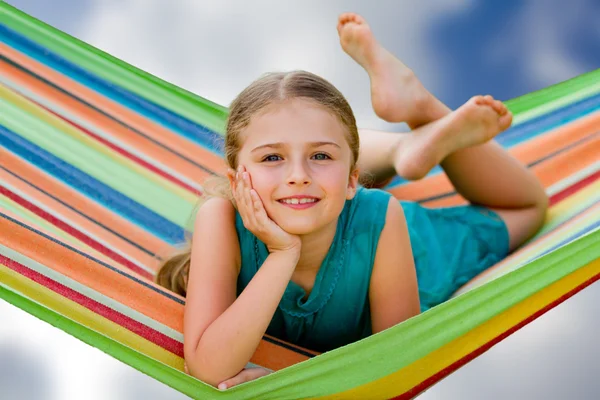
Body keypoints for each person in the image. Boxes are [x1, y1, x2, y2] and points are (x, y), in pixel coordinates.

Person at [156, 13, 548, 390]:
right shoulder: (221, 218)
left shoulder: (379, 216)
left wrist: (289, 380)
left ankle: (420, 108)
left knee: (529, 208)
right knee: (318, 144)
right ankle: (402, 145)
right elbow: (207, 369)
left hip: (417, 254)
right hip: (336, 203)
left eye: (319, 158)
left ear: (353, 182)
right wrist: (282, 254)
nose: (297, 174)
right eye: (272, 158)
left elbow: (398, 367)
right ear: (235, 178)